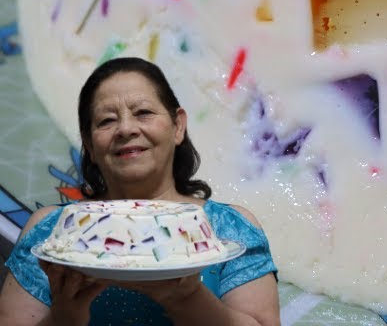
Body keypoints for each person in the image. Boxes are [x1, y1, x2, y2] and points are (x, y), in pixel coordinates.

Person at [0, 57, 281, 326]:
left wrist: (187, 297)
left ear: (178, 125)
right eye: (106, 120)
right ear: (89, 142)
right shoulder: (52, 231)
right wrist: (65, 317)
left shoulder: (228, 228)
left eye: (143, 113)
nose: (125, 128)